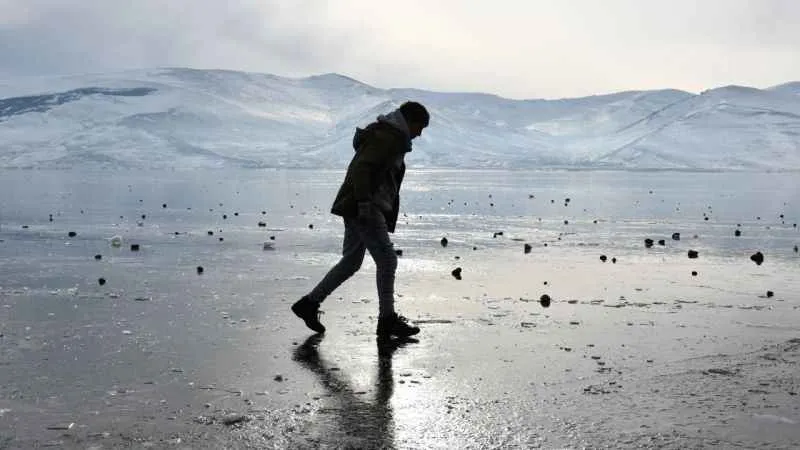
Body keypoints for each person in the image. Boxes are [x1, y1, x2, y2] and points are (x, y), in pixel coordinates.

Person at [292, 101, 430, 338]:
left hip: (358, 205)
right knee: (387, 260)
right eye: (420, 127)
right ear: (409, 121)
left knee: (351, 262)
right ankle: (387, 319)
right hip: (365, 207)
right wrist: (365, 203)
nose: (419, 134)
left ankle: (309, 304)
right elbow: (362, 170)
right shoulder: (390, 137)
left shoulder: (388, 135)